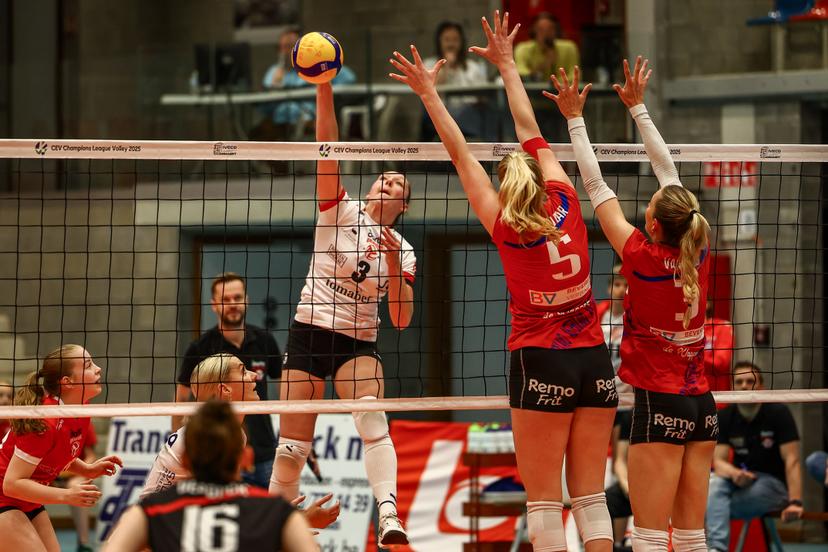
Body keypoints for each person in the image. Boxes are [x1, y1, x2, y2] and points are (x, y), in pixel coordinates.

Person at [391, 11, 617, 551]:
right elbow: (529, 129)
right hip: (593, 360)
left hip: (539, 358)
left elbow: (458, 151)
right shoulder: (564, 198)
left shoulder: (505, 226)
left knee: (544, 502)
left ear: (505, 189)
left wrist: (427, 92)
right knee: (590, 498)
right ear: (539, 178)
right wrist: (508, 66)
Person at [547, 56, 717, 551]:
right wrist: (640, 109)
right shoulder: (699, 250)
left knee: (644, 536)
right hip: (702, 405)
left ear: (656, 225)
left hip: (658, 402)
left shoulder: (640, 255)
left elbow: (595, 185)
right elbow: (669, 173)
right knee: (690, 538)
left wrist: (575, 118)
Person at [269, 78, 416, 548]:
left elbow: (402, 319)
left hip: (357, 344)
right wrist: (324, 87)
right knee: (291, 450)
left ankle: (388, 515)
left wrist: (393, 263)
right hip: (309, 333)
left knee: (373, 419)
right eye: (384, 176)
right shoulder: (339, 209)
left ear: (403, 205)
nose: (387, 181)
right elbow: (326, 145)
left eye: (398, 183)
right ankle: (280, 524)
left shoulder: (406, 251)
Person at [149, 353, 338, 529]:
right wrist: (295, 522)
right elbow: (224, 510)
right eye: (242, 371)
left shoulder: (233, 433)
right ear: (225, 389)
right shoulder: (210, 438)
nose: (254, 375)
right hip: (161, 530)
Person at [103, 400, 317, 552]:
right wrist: (296, 523)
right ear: (246, 457)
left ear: (185, 458)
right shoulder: (277, 513)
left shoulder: (150, 513)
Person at [0, 345, 122, 552]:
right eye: (88, 365)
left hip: (28, 500)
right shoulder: (46, 421)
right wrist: (66, 495)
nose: (98, 368)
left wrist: (86, 469)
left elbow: (56, 453)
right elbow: (11, 484)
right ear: (67, 382)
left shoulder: (80, 410)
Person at [175, 272, 282, 490]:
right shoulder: (200, 348)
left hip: (264, 450)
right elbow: (181, 401)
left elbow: (285, 389)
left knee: (269, 518)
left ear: (246, 300)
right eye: (225, 300)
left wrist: (291, 438)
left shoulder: (265, 340)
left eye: (237, 298)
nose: (233, 304)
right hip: (219, 452)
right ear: (214, 305)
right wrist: (183, 446)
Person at [705, 361, 804, 552]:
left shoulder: (779, 413)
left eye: (750, 381)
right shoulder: (725, 417)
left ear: (761, 386)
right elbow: (718, 462)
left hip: (772, 483)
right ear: (732, 387)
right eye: (739, 381)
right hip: (740, 480)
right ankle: (716, 549)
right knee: (714, 483)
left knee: (712, 502)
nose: (744, 386)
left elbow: (792, 460)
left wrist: (796, 502)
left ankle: (712, 515)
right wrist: (735, 474)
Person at [262, 27, 356, 140]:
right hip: (281, 125)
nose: (287, 51)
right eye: (283, 47)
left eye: (291, 46)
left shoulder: (315, 66)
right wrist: (276, 83)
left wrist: (325, 79)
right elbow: (266, 100)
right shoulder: (274, 72)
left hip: (312, 120)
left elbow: (349, 78)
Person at [422, 21, 491, 141]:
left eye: (455, 40)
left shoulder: (472, 67)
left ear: (461, 42)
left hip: (468, 118)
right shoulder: (429, 64)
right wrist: (446, 66)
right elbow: (431, 93)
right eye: (447, 39)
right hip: (438, 118)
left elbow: (483, 96)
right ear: (439, 42)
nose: (451, 44)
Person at [53, 421, 98, 552]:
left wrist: (87, 469)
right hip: (48, 471)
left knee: (78, 486)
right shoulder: (51, 419)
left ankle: (84, 543)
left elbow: (91, 456)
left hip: (72, 474)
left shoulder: (85, 421)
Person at [596, 265, 631, 404]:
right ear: (609, 288)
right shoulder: (598, 315)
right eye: (617, 284)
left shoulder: (634, 319)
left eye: (626, 285)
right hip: (601, 391)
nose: (621, 289)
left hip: (627, 396)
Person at [514, 12, 579, 83]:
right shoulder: (523, 48)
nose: (545, 33)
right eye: (540, 29)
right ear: (533, 31)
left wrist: (556, 83)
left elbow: (574, 75)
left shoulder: (569, 48)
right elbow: (521, 72)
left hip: (562, 90)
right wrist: (544, 64)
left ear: (557, 30)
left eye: (550, 29)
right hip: (532, 91)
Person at [607, 410, 632, 552]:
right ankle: (613, 547)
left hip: (662, 486)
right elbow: (620, 461)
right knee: (605, 502)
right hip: (634, 485)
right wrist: (627, 487)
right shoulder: (630, 417)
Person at [703, 300, 734, 392]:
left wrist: (690, 356)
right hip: (686, 392)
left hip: (717, 395)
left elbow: (720, 363)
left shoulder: (722, 327)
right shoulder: (679, 331)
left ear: (706, 303)